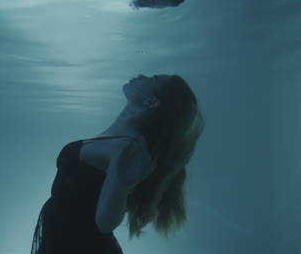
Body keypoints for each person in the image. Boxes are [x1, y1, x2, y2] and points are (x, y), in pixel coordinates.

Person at [31, 74, 205, 254]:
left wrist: (123, 183)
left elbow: (105, 223)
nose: (141, 76)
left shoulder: (127, 149)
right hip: (65, 240)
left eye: (152, 80)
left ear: (151, 103)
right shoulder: (121, 140)